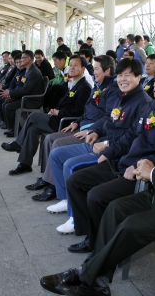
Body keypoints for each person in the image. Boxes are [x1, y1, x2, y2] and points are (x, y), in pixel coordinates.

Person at [40, 63, 155, 296]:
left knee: (131, 225)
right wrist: (148, 167)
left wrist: (153, 173)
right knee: (114, 208)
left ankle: (86, 276)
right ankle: (97, 279)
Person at [47, 59, 150, 234]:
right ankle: (66, 200)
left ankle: (75, 218)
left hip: (112, 151)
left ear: (139, 77)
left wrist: (107, 145)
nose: (122, 79)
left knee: (70, 166)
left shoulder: (143, 103)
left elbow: (134, 137)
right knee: (56, 154)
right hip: (98, 142)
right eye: (119, 75)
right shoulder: (122, 97)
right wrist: (94, 130)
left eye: (127, 75)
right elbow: (108, 119)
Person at [65, 92, 155, 254]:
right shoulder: (150, 106)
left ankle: (99, 246)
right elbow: (131, 135)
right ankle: (90, 235)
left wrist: (136, 165)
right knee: (75, 181)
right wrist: (109, 153)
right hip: (122, 162)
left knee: (96, 196)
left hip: (139, 173)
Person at [27, 55, 117, 202]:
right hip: (81, 125)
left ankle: (53, 186)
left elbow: (107, 117)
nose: (93, 72)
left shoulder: (109, 91)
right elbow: (86, 111)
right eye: (93, 69)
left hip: (92, 132)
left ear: (107, 71)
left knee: (56, 143)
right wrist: (76, 122)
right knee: (49, 138)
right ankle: (47, 179)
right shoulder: (97, 87)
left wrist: (91, 130)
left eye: (96, 69)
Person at [4, 55, 92, 175]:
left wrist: (58, 112)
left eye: (75, 65)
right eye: (70, 65)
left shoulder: (84, 87)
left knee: (34, 116)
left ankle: (19, 143)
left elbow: (79, 111)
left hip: (65, 123)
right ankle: (25, 164)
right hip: (57, 117)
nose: (71, 68)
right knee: (33, 129)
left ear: (83, 69)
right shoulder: (74, 83)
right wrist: (55, 110)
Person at [0, 50, 46, 134]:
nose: (21, 60)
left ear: (28, 59)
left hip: (33, 100)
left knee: (8, 106)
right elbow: (22, 87)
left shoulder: (33, 72)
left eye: (23, 58)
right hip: (26, 97)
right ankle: (13, 129)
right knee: (4, 104)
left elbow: (26, 90)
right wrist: (11, 95)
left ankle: (16, 130)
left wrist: (10, 93)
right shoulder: (29, 70)